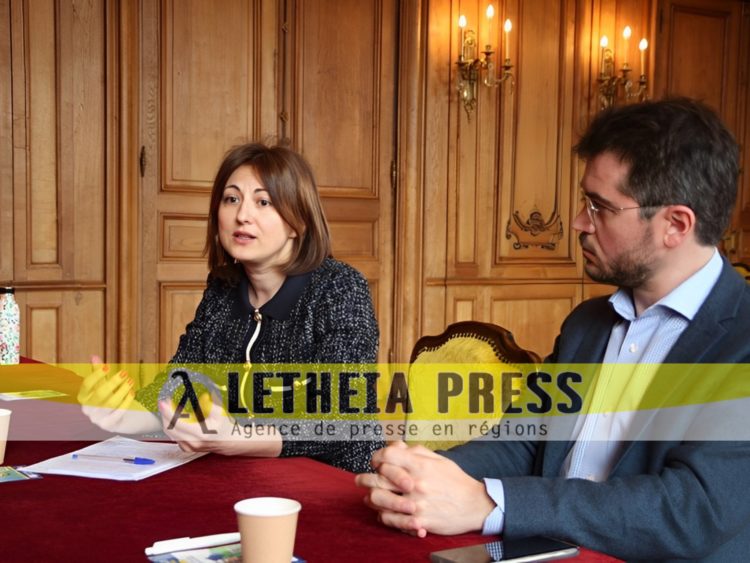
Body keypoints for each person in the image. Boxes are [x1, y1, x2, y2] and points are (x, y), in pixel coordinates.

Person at [355, 98, 750, 560]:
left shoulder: (740, 340)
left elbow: (689, 509)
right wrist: (426, 474)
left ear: (676, 224)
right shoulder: (587, 323)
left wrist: (491, 503)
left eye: (600, 208)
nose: (580, 224)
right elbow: (528, 440)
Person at [78, 142, 382, 473]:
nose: (242, 215)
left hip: (335, 482)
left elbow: (338, 419)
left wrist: (239, 436)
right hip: (244, 476)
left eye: (263, 202)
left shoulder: (339, 288)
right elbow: (179, 386)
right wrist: (124, 414)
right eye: (231, 199)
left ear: (298, 222)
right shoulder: (223, 290)